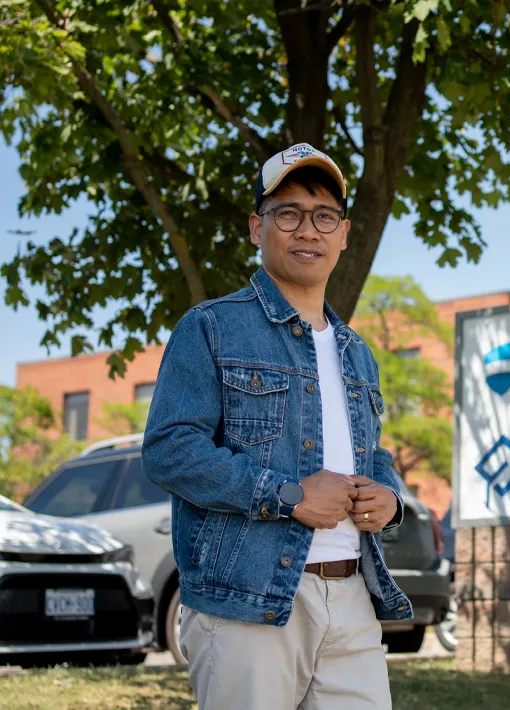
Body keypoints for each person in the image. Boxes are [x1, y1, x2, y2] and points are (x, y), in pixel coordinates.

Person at [143, 142, 413, 710]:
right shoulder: (211, 327)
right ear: (256, 227)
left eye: (324, 217)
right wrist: (288, 496)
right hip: (247, 602)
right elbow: (170, 451)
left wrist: (389, 497)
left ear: (342, 234)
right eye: (287, 214)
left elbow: (372, 454)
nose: (307, 231)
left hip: (352, 597)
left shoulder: (356, 352)